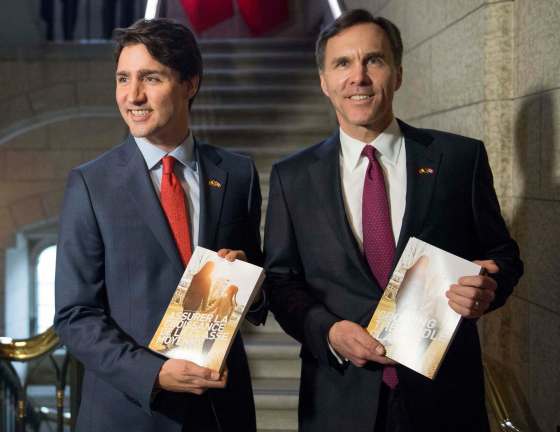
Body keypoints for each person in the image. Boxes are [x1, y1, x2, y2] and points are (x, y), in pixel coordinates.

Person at [264, 9, 523, 432]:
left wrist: (488, 289)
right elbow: (280, 282)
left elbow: (503, 256)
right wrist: (330, 332)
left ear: (398, 74)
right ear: (324, 82)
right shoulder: (292, 177)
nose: (358, 77)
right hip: (339, 401)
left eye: (374, 60)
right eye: (342, 63)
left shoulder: (460, 160)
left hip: (444, 397)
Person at [54, 18, 265, 432]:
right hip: (127, 412)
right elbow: (75, 315)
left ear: (190, 83)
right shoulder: (91, 184)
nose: (133, 95)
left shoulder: (237, 174)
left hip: (220, 412)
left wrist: (252, 287)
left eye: (150, 78)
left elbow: (258, 289)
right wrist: (153, 374)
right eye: (123, 78)